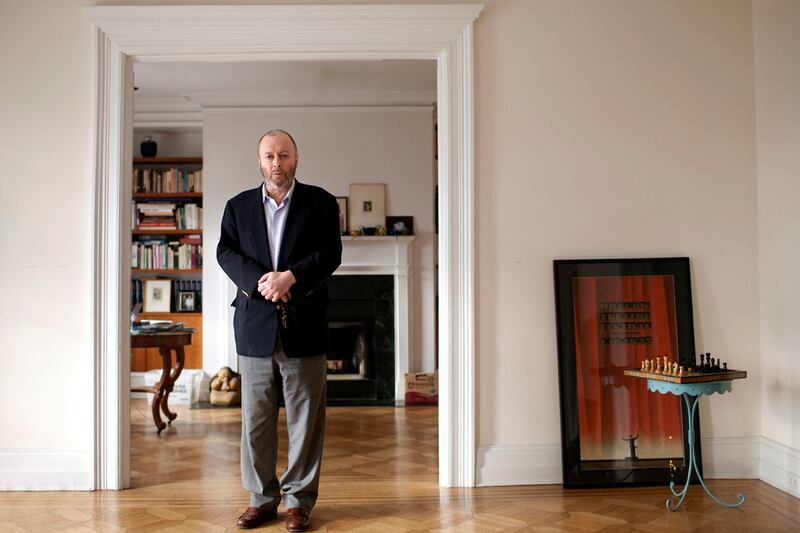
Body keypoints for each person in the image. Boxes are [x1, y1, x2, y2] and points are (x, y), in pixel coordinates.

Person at [217, 129, 342, 531]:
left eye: (284, 155)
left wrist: (291, 277)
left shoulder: (321, 203)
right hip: (254, 327)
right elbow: (225, 252)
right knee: (255, 423)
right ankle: (261, 500)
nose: (277, 163)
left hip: (304, 325)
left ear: (296, 158)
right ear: (259, 161)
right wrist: (262, 282)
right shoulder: (237, 207)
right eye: (269, 156)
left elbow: (331, 253)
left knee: (306, 422)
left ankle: (298, 502)